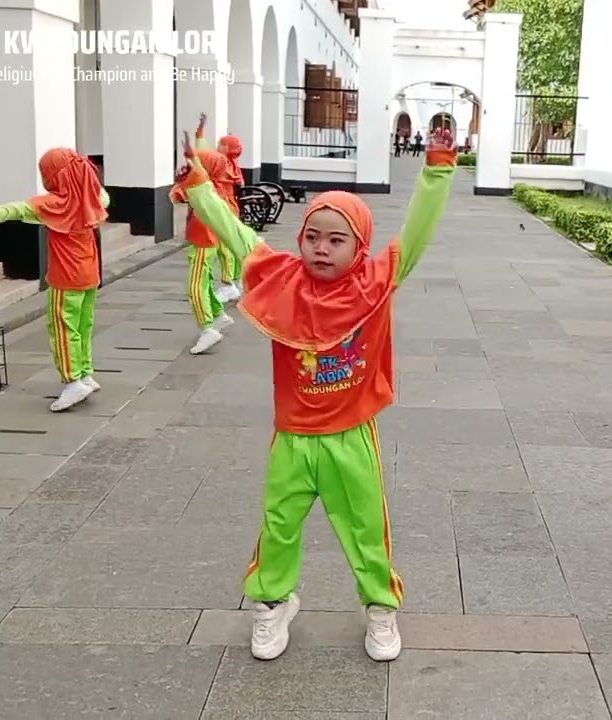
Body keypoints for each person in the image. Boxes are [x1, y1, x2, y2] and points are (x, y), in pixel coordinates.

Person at [177, 126, 457, 663]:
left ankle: (379, 608)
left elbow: (417, 232)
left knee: (365, 526)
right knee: (277, 525)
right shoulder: (280, 276)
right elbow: (234, 233)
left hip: (352, 435)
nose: (321, 248)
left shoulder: (377, 283)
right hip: (292, 438)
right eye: (312, 236)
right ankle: (273, 602)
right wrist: (197, 185)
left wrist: (438, 167)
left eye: (337, 239)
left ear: (360, 244)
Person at [0, 148, 109, 412]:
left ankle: (72, 381)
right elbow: (103, 194)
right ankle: (86, 373)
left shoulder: (53, 204)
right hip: (90, 277)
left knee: (63, 330)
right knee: (83, 326)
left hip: (65, 281)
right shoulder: (94, 199)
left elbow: (16, 209)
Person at [169, 132, 236, 354]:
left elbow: (193, 177)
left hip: (203, 240)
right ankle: (218, 315)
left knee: (195, 286)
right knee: (205, 279)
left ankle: (207, 328)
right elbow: (199, 165)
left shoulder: (205, 188)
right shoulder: (215, 184)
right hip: (209, 240)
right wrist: (191, 150)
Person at [213, 127, 246, 304]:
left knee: (224, 247)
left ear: (226, 147)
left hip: (223, 208)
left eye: (220, 143)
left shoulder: (221, 163)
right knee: (234, 245)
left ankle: (228, 283)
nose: (216, 146)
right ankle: (239, 280)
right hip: (231, 207)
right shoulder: (234, 164)